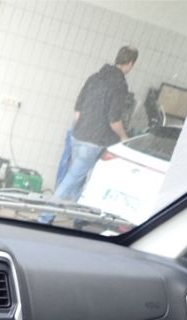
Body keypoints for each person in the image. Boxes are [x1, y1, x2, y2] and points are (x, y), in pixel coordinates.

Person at [53, 45, 138, 202]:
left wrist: (82, 128)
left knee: (76, 179)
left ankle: (75, 212)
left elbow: (78, 111)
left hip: (77, 136)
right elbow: (114, 120)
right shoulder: (120, 85)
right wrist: (124, 137)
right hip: (94, 141)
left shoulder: (94, 77)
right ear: (131, 63)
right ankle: (46, 214)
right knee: (71, 180)